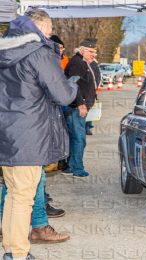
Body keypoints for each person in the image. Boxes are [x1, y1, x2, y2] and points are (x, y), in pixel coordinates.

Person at [0, 8, 77, 259]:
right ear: (41, 28)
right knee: (24, 198)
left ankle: (12, 248)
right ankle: (19, 254)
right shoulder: (39, 53)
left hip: (6, 134)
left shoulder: (4, 51)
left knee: (14, 194)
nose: (50, 35)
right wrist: (73, 84)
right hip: (29, 135)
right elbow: (63, 94)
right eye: (50, 30)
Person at [63, 38, 98, 178]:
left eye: (94, 52)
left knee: (74, 137)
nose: (93, 54)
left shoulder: (82, 62)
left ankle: (71, 166)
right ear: (82, 50)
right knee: (79, 138)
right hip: (76, 107)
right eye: (90, 51)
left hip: (77, 106)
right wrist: (80, 104)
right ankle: (77, 168)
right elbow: (73, 85)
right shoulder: (77, 63)